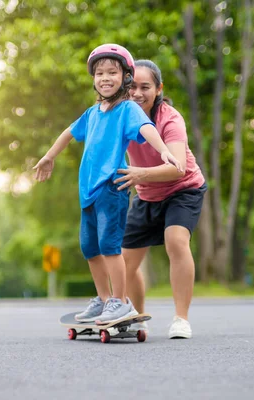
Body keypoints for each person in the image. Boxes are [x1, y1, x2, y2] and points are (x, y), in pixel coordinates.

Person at [33, 45, 183, 324]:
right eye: (100, 73)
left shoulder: (127, 109)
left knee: (110, 246)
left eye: (112, 72)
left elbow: (146, 128)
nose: (105, 77)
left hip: (111, 189)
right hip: (87, 191)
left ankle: (120, 302)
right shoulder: (92, 113)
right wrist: (48, 156)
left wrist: (163, 150)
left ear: (125, 77)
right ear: (93, 79)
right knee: (90, 248)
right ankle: (104, 301)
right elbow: (68, 132)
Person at [114, 59, 207, 338]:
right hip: (146, 194)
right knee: (123, 260)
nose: (138, 93)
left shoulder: (170, 118)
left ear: (158, 89)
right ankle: (137, 318)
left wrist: (140, 174)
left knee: (176, 242)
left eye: (146, 87)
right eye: (132, 86)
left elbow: (177, 166)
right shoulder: (119, 116)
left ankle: (181, 319)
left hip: (183, 188)